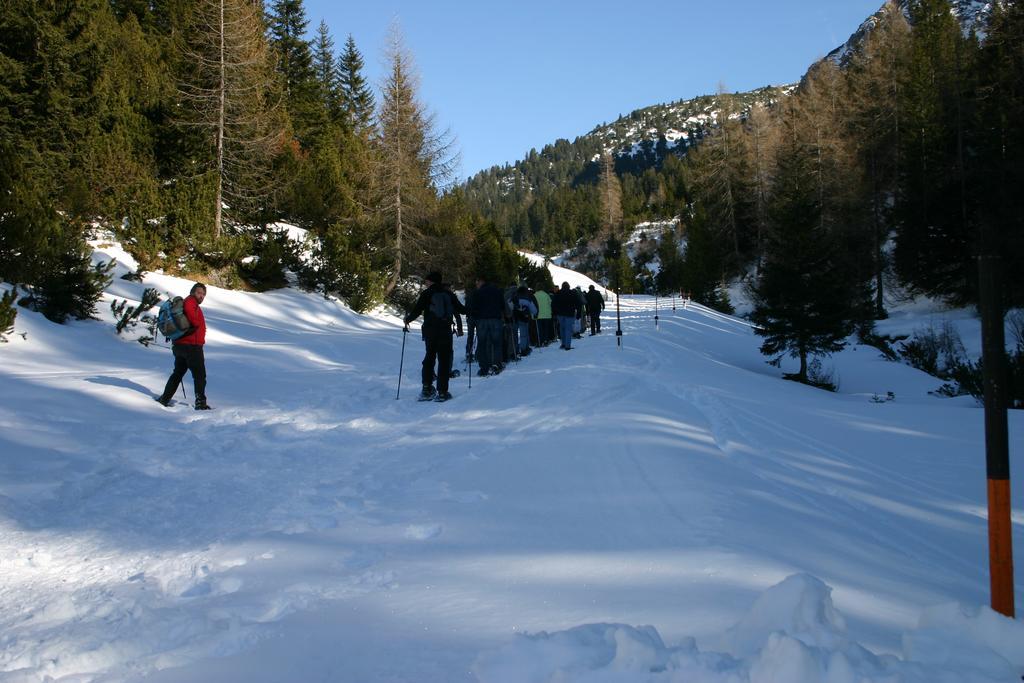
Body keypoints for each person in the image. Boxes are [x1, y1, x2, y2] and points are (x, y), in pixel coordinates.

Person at [404, 272, 466, 402]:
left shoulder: (426, 294)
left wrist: (407, 320)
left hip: (430, 331)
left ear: (431, 281)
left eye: (427, 280)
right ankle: (442, 392)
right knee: (444, 360)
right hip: (445, 330)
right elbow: (461, 309)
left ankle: (427, 388)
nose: (425, 282)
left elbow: (417, 310)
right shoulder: (448, 294)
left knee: (429, 357)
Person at [156, 282, 211, 410]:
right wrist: (197, 324)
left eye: (203, 294)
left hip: (180, 346)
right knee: (199, 375)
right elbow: (192, 316)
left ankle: (165, 398)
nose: (201, 296)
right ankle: (200, 403)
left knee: (178, 373)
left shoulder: (190, 302)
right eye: (199, 293)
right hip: (192, 346)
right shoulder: (190, 301)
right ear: (192, 292)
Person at [469, 275, 505, 376]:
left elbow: (474, 307)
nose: (476, 284)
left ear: (481, 282)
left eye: (477, 282)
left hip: (482, 321)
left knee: (482, 344)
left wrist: (475, 317)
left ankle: (484, 367)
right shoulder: (497, 291)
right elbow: (502, 305)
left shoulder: (478, 292)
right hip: (495, 320)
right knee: (496, 343)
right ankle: (496, 365)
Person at [551, 282, 580, 350]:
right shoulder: (572, 293)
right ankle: (567, 345)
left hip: (560, 314)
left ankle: (563, 344)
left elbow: (553, 304)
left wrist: (554, 313)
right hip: (570, 314)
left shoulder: (558, 293)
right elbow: (578, 304)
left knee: (562, 328)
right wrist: (578, 313)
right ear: (569, 286)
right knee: (568, 329)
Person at [514, 285, 538, 356]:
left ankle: (516, 349)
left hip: (515, 317)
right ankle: (524, 349)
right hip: (524, 318)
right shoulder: (527, 298)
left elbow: (510, 305)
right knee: (524, 334)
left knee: (515, 335)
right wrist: (535, 313)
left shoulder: (515, 297)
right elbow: (534, 310)